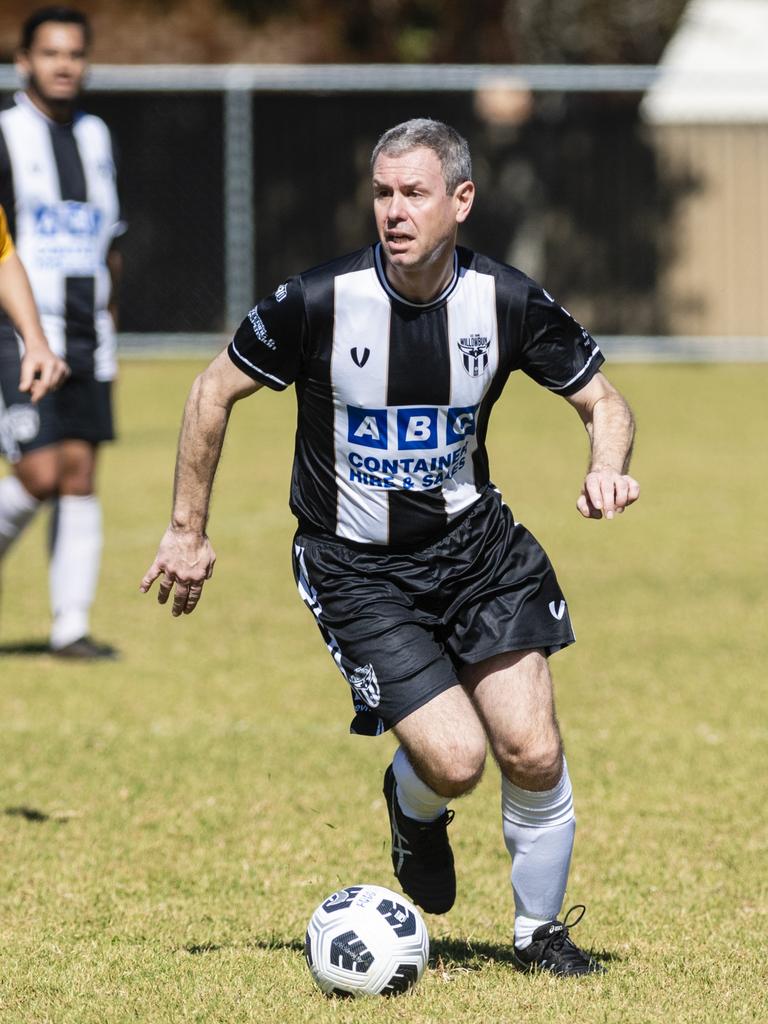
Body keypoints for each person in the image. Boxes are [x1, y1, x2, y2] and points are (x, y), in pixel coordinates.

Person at [141, 118, 639, 976]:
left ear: (461, 200)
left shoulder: (506, 300)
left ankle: (540, 937)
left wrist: (608, 468)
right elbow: (211, 391)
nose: (395, 211)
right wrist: (187, 531)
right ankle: (414, 812)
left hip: (479, 552)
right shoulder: (319, 301)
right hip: (355, 567)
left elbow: (605, 401)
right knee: (456, 763)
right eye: (383, 193)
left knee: (533, 747)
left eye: (414, 193)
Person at [0, 6, 124, 658]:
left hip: (87, 333)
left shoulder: (98, 135)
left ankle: (69, 627)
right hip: (19, 332)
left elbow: (112, 241)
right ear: (25, 62)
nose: (64, 65)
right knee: (40, 471)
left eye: (74, 53)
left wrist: (111, 318)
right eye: (50, 53)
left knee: (79, 472)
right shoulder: (6, 133)